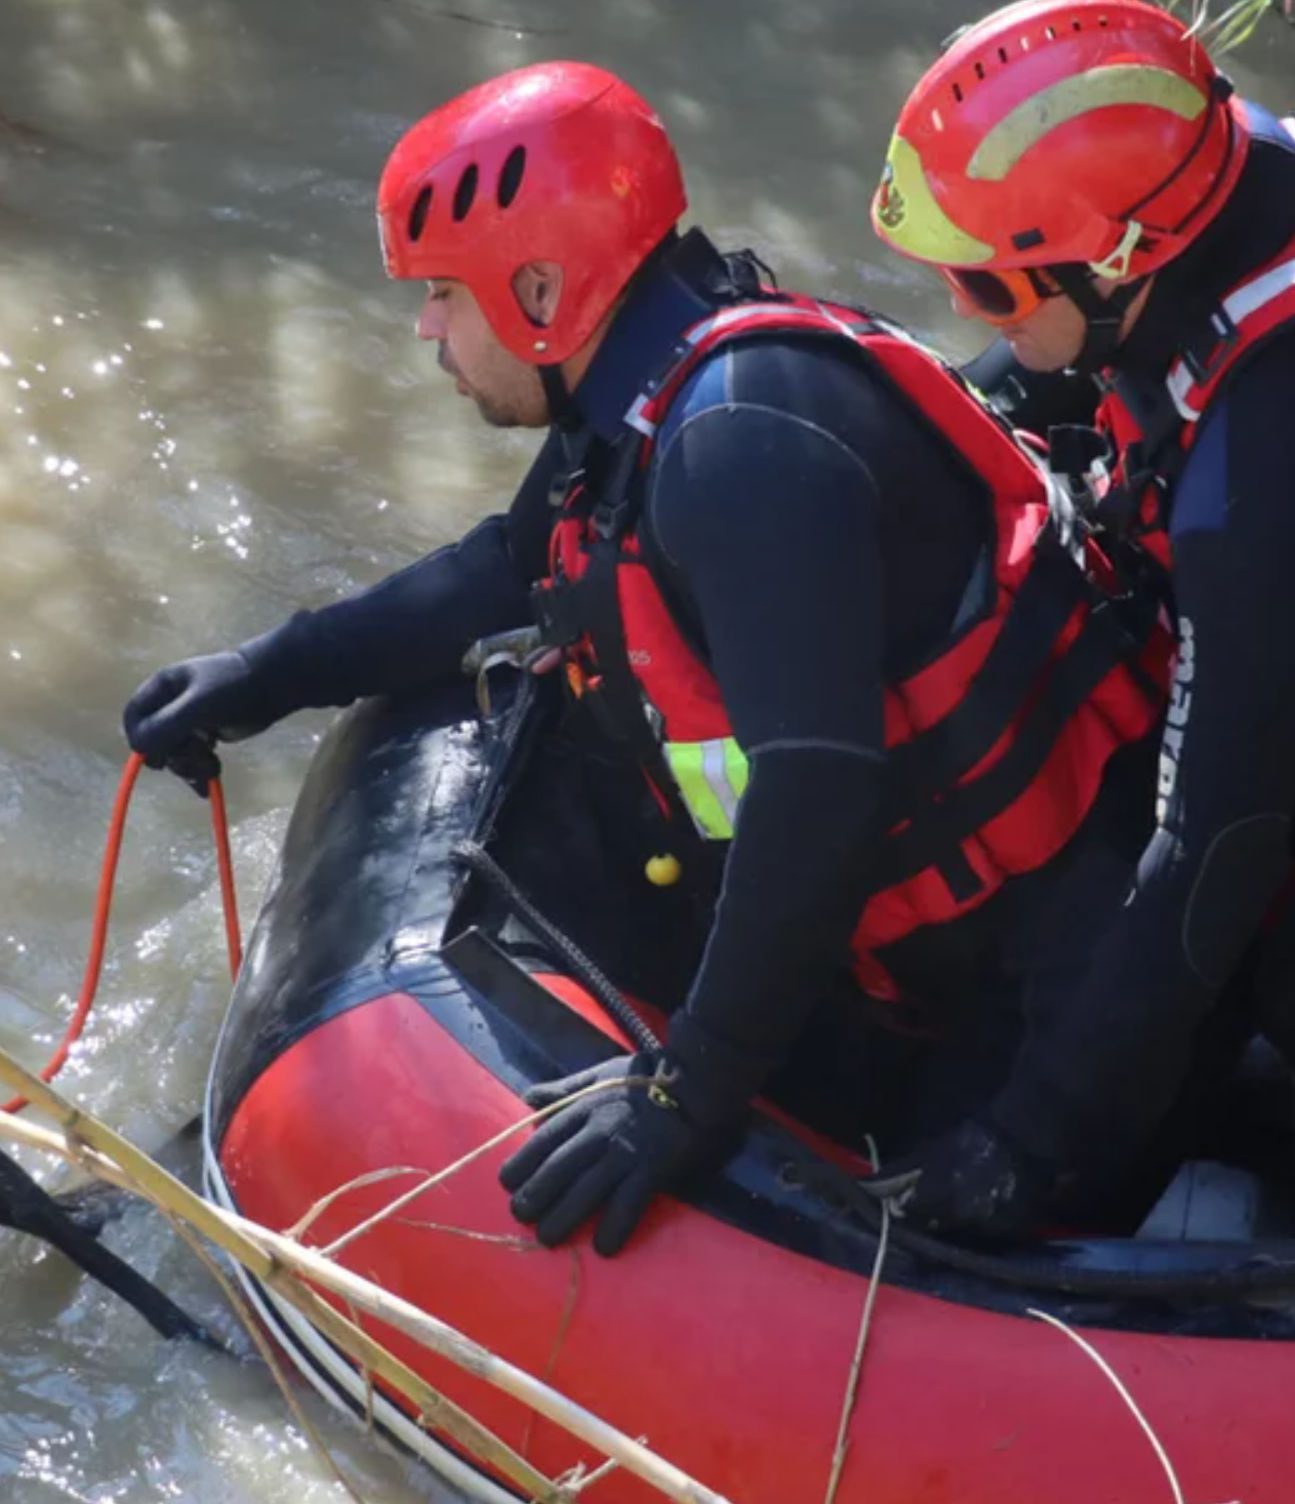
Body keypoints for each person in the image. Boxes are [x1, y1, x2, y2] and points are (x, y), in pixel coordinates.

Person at [127, 60, 1167, 1255]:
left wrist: (684, 1093)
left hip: (1066, 989)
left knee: (924, 1245)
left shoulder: (735, 444)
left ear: (536, 289)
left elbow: (819, 794)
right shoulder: (651, 381)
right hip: (934, 949)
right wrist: (267, 672)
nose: (424, 330)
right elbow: (508, 566)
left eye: (439, 297)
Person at [868, 0, 1295, 1238]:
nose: (971, 307)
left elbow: (1212, 848)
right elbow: (1047, 382)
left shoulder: (1270, 478)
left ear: (1121, 258)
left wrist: (1028, 1145)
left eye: (985, 284)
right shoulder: (1284, 164)